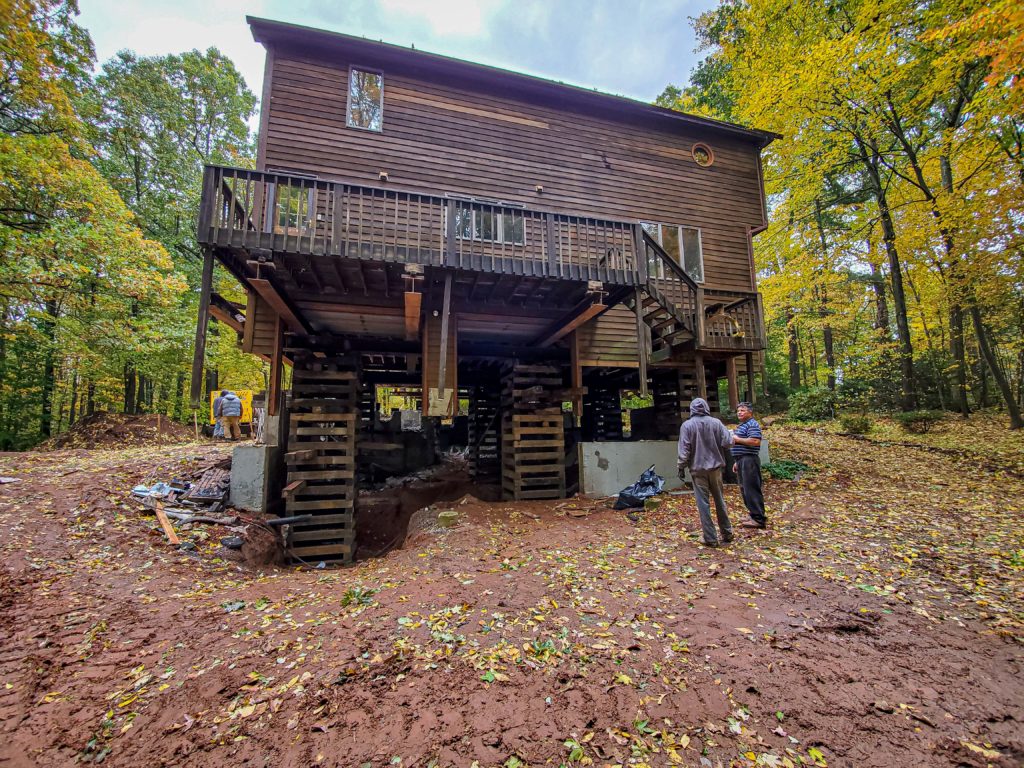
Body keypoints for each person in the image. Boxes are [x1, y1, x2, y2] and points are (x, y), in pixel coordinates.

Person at [678, 397, 734, 547]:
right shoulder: (716, 423)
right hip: (716, 470)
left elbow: (684, 451)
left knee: (703, 503)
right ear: (706, 408)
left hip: (697, 471)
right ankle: (727, 533)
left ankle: (710, 538)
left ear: (691, 410)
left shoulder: (687, 426)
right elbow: (728, 443)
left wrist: (681, 467)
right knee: (720, 500)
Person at [732, 401, 767, 529]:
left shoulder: (752, 424)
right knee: (744, 489)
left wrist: (737, 439)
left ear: (750, 412)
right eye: (738, 411)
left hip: (749, 461)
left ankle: (759, 518)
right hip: (741, 460)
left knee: (751, 488)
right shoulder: (743, 425)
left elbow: (755, 441)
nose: (739, 413)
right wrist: (737, 461)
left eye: (743, 410)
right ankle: (753, 514)